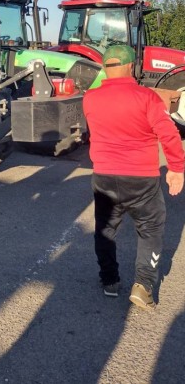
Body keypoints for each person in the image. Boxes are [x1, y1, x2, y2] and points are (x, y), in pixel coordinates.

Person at [83, 44, 184, 310]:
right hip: (141, 178)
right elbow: (169, 134)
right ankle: (143, 285)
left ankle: (109, 281)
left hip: (104, 175)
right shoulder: (147, 97)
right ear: (131, 66)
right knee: (150, 230)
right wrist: (176, 168)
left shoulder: (90, 98)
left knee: (105, 228)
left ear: (105, 67)